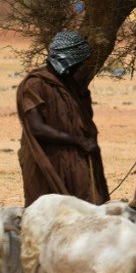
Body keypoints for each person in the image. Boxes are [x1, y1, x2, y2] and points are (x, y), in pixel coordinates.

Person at [16, 31, 110, 207]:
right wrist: (78, 141)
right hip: (45, 160)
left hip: (72, 160)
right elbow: (37, 128)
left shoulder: (69, 84)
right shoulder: (34, 85)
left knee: (83, 210)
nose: (78, 68)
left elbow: (82, 119)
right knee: (48, 213)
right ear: (66, 60)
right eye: (77, 64)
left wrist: (83, 96)